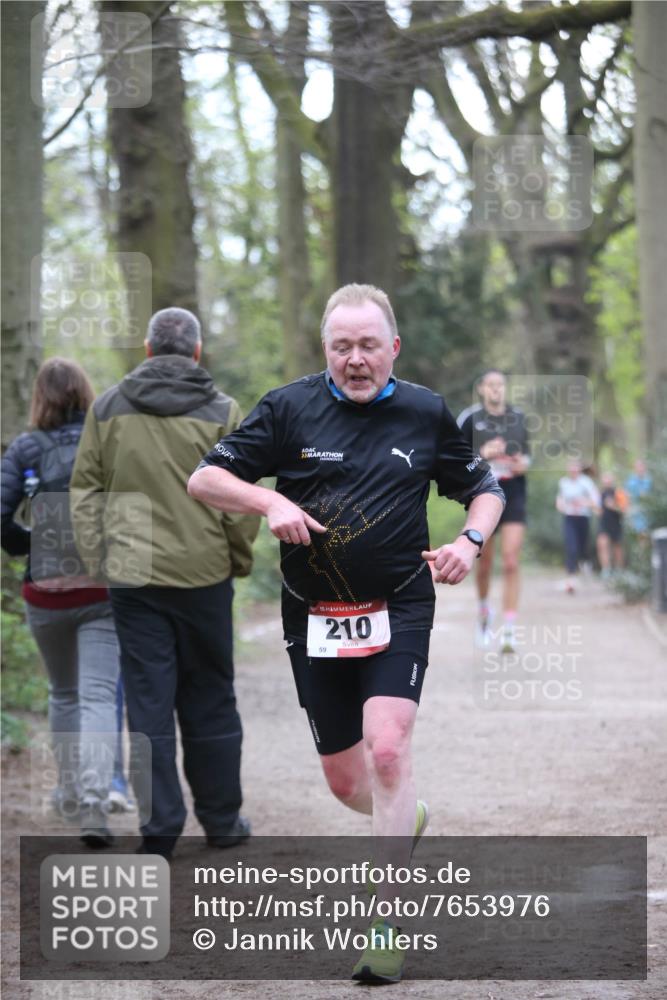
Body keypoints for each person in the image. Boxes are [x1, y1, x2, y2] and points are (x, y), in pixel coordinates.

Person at [188, 283, 505, 983]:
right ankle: (402, 814)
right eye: (341, 347)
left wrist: (470, 541)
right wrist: (267, 498)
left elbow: (486, 488)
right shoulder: (287, 408)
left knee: (388, 750)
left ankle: (384, 927)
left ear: (392, 347)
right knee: (345, 782)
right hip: (313, 613)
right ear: (324, 350)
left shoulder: (425, 413)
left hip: (399, 606)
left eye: (368, 346)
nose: (355, 360)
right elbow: (203, 479)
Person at [70, 308, 259, 860]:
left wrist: (101, 558)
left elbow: (83, 492)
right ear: (197, 352)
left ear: (148, 351)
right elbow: (242, 501)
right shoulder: (224, 410)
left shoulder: (106, 408)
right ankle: (222, 822)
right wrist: (236, 559)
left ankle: (159, 831)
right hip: (205, 576)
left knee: (149, 703)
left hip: (134, 578)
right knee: (212, 699)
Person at [1, 357, 120, 847]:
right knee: (97, 696)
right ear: (86, 395)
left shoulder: (24, 448)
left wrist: (30, 543)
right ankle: (95, 803)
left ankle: (70, 792)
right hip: (103, 587)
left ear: (40, 399)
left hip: (44, 591)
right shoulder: (108, 440)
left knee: (63, 694)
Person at [457, 369, 530, 653]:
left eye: (500, 385)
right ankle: (484, 613)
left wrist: (524, 463)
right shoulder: (469, 419)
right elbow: (454, 458)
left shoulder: (519, 417)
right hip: (483, 494)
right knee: (484, 562)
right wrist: (482, 454)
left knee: (511, 560)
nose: (496, 390)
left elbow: (527, 454)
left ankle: (509, 630)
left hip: (514, 492)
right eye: (491, 385)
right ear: (482, 389)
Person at [556, 460, 600, 593]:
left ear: (580, 469)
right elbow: (560, 499)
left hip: (583, 518)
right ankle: (570, 580)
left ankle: (586, 566)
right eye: (571, 466)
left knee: (582, 548)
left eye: (575, 467)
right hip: (569, 518)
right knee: (571, 547)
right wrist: (562, 506)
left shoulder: (586, 482)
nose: (573, 469)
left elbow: (595, 500)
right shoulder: (564, 482)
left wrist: (584, 503)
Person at [596, 472, 626, 577]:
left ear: (612, 480)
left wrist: (613, 506)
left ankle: (619, 571)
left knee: (617, 547)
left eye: (608, 479)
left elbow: (624, 510)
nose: (607, 481)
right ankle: (606, 570)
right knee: (602, 545)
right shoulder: (600, 493)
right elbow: (597, 508)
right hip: (604, 523)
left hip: (616, 523)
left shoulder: (619, 493)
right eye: (605, 479)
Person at [625, 458, 652, 536]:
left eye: (641, 466)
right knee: (634, 533)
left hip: (646, 511)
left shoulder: (648, 479)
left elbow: (645, 495)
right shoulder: (630, 480)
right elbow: (626, 494)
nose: (639, 468)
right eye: (637, 466)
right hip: (633, 510)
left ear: (644, 467)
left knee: (644, 533)